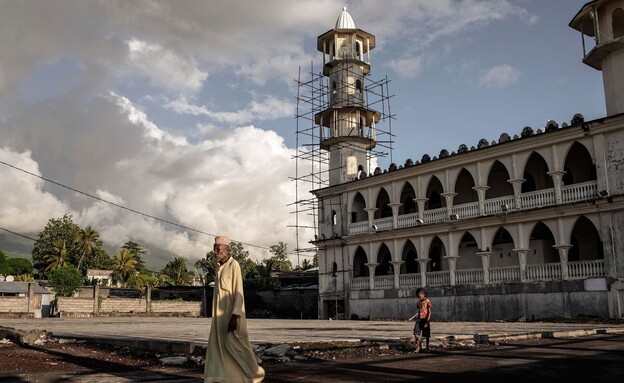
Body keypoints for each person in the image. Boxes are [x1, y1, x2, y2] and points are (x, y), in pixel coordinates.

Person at [204, 236, 265, 383]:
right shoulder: (220, 269)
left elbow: (238, 292)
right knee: (219, 347)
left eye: (219, 249)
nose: (216, 252)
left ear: (227, 250)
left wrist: (235, 316)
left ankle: (255, 374)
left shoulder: (234, 265)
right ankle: (223, 377)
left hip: (231, 316)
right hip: (219, 317)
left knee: (237, 346)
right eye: (215, 249)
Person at [413, 288, 432, 353]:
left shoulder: (428, 301)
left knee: (426, 335)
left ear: (423, 294)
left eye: (419, 296)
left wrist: (427, 321)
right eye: (417, 297)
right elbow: (419, 310)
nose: (419, 298)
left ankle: (427, 347)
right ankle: (419, 347)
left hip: (425, 319)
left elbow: (429, 312)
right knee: (416, 333)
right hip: (419, 319)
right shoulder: (419, 302)